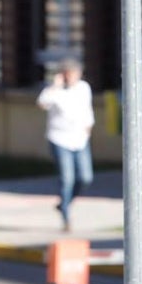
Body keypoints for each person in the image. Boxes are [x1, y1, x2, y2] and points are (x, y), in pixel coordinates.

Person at [36, 58, 95, 232]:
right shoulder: (54, 91)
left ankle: (64, 203)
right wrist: (55, 86)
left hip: (80, 139)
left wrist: (88, 128)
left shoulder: (84, 88)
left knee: (85, 177)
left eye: (75, 74)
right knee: (67, 178)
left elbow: (87, 110)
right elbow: (42, 103)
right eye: (68, 75)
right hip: (59, 139)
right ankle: (66, 216)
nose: (72, 78)